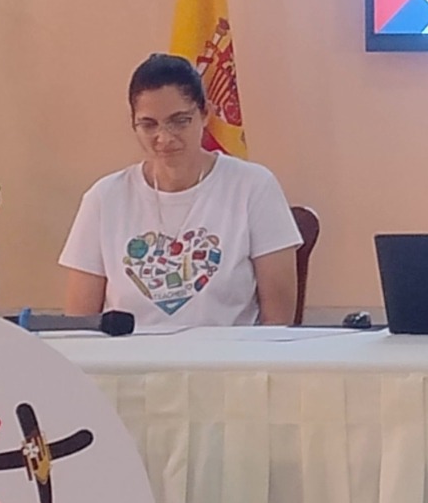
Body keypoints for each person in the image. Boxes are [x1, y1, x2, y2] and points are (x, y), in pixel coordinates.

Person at [60, 54, 302, 326]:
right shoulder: (104, 199)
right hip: (130, 354)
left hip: (229, 353)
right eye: (149, 125)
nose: (164, 138)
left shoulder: (254, 187)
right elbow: (82, 325)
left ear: (205, 114)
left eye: (179, 121)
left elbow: (277, 323)